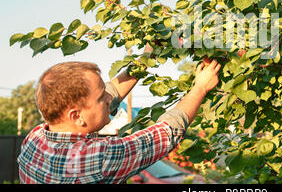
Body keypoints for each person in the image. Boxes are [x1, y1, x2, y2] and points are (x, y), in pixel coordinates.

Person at [17, 57, 221, 184]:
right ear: (76, 115)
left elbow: (111, 91)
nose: (109, 98)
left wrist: (147, 58)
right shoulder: (99, 157)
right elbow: (165, 133)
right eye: (101, 97)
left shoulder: (35, 139)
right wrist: (201, 87)